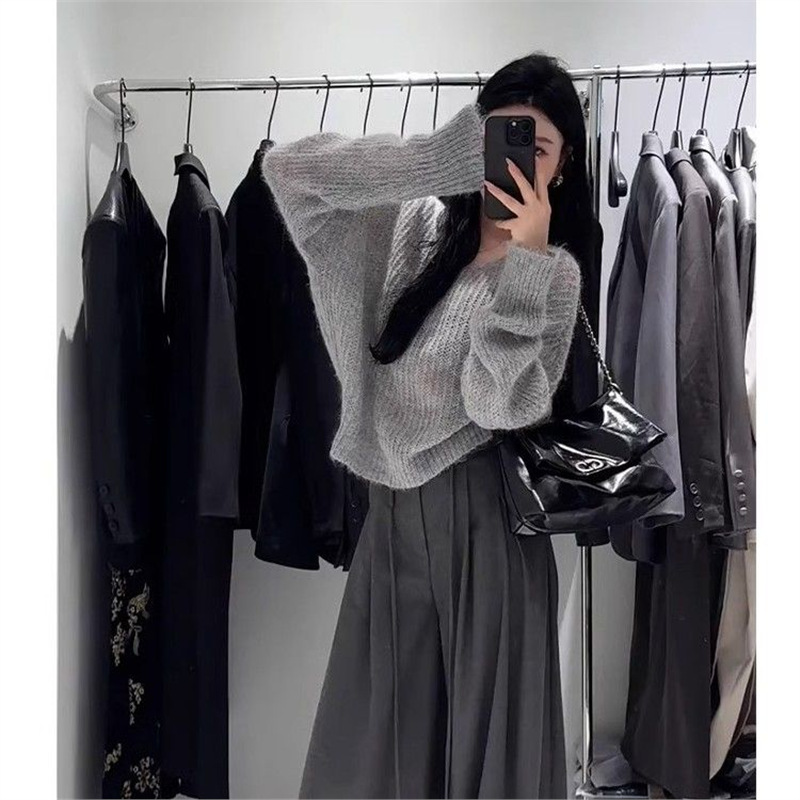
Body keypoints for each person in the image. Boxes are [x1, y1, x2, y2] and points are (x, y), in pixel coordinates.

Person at [261, 51, 595, 800]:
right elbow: (289, 174)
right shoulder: (416, 230)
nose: (515, 161)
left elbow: (499, 407)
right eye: (500, 137)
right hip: (391, 523)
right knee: (375, 751)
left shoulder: (555, 275)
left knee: (486, 754)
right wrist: (436, 161)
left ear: (564, 164)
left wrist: (525, 266)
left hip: (487, 530)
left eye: (537, 147)